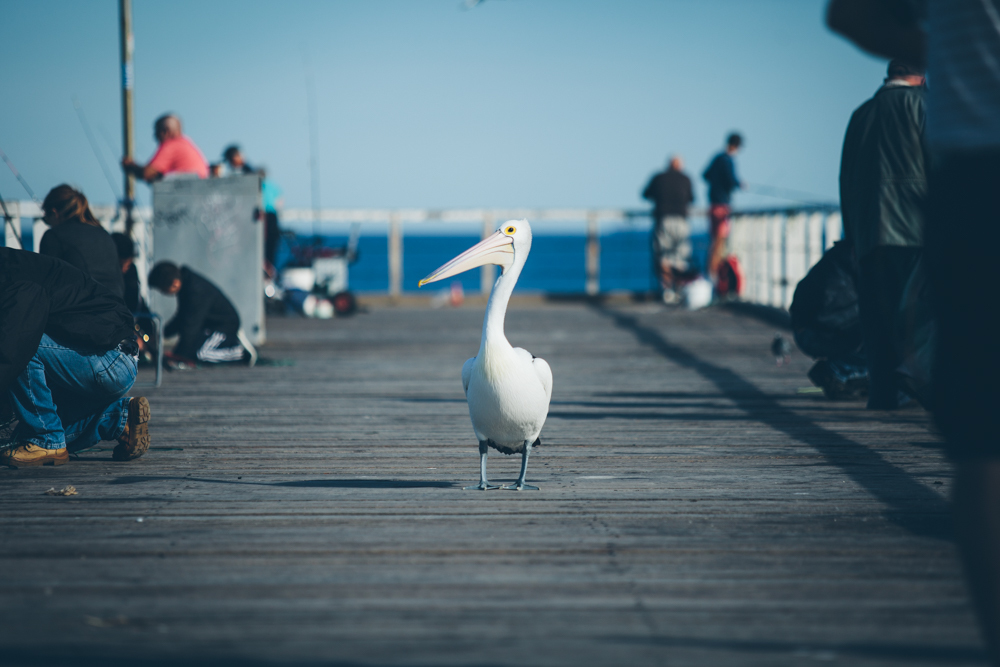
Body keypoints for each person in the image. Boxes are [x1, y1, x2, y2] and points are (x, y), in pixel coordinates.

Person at [828, 0, 1000, 661]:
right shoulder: (917, 109)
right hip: (924, 218)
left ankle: (885, 388)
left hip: (970, 189)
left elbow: (846, 15)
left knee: (984, 439)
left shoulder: (861, 114)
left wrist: (949, 50)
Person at [0, 248, 150, 467]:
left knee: (19, 343)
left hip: (106, 361)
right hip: (117, 359)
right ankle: (119, 418)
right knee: (21, 439)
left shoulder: (15, 281)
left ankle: (46, 439)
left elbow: (13, 350)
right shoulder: (21, 266)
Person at [839, 58, 928, 410]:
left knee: (875, 314)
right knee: (919, 315)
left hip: (870, 232)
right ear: (922, 75)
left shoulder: (861, 114)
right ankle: (919, 388)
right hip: (917, 232)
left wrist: (851, 238)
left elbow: (845, 180)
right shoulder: (925, 106)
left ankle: (882, 394)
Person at [147, 262, 247, 364]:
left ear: (175, 283)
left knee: (201, 354)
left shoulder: (196, 291)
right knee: (193, 351)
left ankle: (240, 352)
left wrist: (179, 356)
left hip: (224, 326)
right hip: (208, 328)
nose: (164, 293)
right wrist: (162, 334)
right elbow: (182, 318)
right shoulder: (186, 285)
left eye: (163, 290)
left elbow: (191, 326)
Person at [38, 185, 123, 298]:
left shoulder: (54, 236)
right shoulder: (104, 234)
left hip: (80, 311)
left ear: (55, 213)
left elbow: (45, 285)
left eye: (46, 219)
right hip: (116, 310)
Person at [642, 155, 694, 303]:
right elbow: (691, 198)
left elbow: (646, 194)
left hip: (663, 219)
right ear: (680, 166)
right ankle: (679, 289)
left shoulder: (658, 177)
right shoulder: (686, 179)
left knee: (663, 257)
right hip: (681, 221)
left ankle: (667, 291)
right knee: (681, 257)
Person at [702, 133, 744, 280]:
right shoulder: (728, 160)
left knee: (714, 241)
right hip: (723, 206)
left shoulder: (717, 158)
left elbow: (705, 175)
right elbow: (731, 181)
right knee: (720, 242)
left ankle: (710, 276)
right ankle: (713, 278)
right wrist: (739, 184)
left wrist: (716, 182)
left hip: (712, 204)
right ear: (737, 146)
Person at [122, 114, 208, 182]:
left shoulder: (171, 145)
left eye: (157, 132)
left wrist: (130, 167)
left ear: (165, 131)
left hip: (186, 190)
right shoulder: (186, 143)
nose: (154, 136)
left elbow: (147, 173)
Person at [260, 168, 284, 272]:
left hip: (263, 216)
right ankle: (271, 270)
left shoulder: (259, 185)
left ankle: (265, 268)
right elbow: (280, 201)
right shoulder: (273, 186)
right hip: (272, 215)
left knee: (264, 244)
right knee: (272, 244)